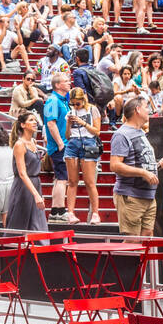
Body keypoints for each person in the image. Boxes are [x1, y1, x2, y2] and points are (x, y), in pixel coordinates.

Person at [109, 96, 158, 237]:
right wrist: (143, 173)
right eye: (146, 107)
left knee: (147, 237)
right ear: (137, 109)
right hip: (131, 195)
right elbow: (115, 165)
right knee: (133, 241)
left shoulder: (141, 132)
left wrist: (157, 165)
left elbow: (139, 160)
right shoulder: (121, 134)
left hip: (148, 195)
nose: (149, 110)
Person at [63, 87, 103, 224]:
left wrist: (82, 122)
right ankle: (70, 213)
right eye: (72, 104)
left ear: (83, 100)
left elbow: (97, 131)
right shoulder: (70, 112)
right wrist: (68, 123)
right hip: (73, 143)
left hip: (89, 142)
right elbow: (67, 136)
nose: (75, 106)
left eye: (77, 103)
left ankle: (96, 213)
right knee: (72, 181)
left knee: (89, 181)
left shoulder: (92, 110)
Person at [5, 112, 48, 231]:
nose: (35, 122)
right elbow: (22, 173)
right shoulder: (19, 144)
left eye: (35, 120)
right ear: (23, 125)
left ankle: (39, 247)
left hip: (35, 183)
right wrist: (36, 195)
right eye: (31, 120)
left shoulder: (34, 142)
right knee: (19, 221)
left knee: (37, 221)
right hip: (23, 186)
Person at [42, 71, 71, 221]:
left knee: (60, 178)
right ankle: (59, 211)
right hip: (60, 146)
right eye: (66, 81)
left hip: (63, 144)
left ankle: (55, 210)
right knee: (62, 178)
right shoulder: (52, 100)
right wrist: (60, 143)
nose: (69, 83)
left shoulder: (62, 100)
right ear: (58, 85)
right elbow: (50, 123)